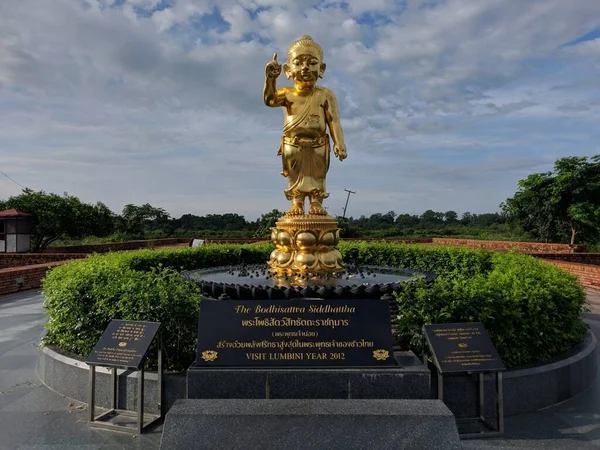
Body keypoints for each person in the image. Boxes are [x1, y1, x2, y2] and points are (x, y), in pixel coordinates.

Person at [263, 35, 347, 217]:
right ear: (288, 69)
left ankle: (316, 201)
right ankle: (297, 202)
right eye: (299, 63)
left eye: (312, 63)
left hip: (319, 143)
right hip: (292, 143)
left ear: (322, 68)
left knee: (318, 174)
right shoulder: (286, 93)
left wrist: (339, 142)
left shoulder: (325, 94)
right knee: (295, 173)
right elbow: (269, 100)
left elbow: (334, 120)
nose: (305, 68)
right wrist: (270, 79)